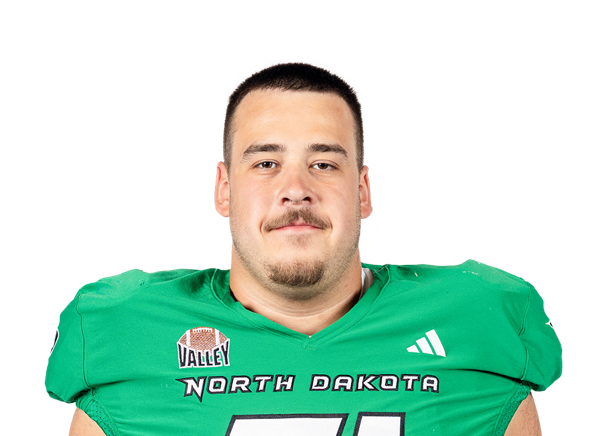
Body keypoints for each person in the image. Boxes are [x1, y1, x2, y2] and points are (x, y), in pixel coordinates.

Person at [46, 63, 562, 435]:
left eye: (324, 164)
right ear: (224, 189)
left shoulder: (477, 319)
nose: (295, 190)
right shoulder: (127, 330)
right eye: (266, 163)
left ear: (362, 191)